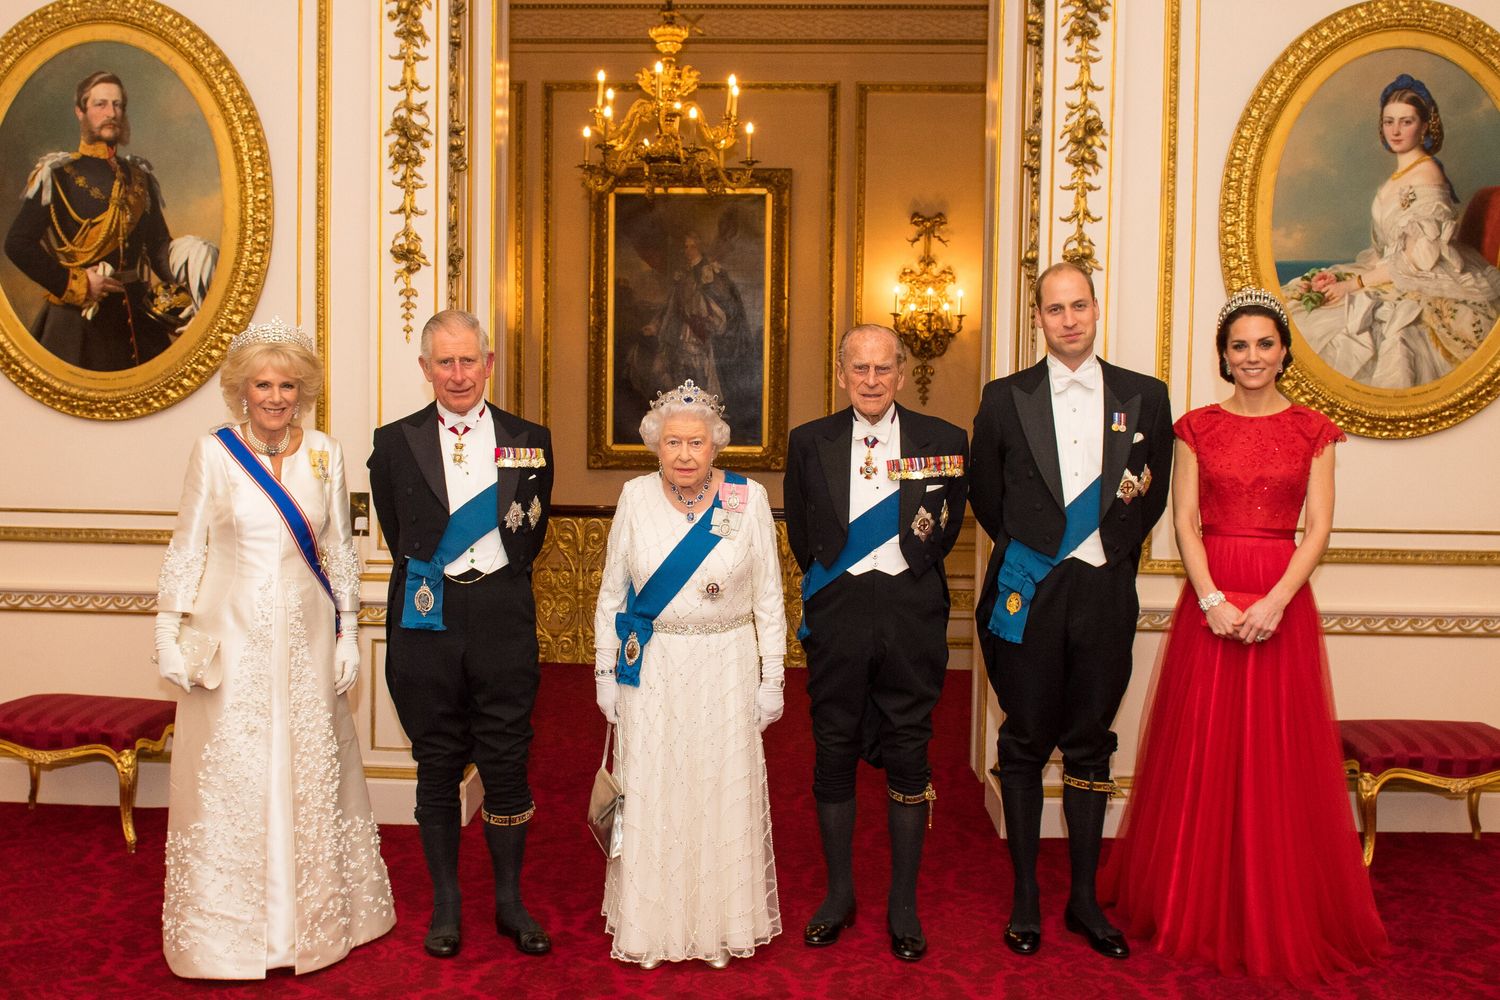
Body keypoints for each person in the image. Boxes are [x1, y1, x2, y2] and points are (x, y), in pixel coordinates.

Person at [1098, 288, 1388, 982]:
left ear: (1284, 350)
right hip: (1215, 599)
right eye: (1239, 346)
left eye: (1264, 344)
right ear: (1223, 356)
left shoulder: (1315, 430)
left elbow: (1317, 528)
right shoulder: (1196, 427)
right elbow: (1185, 522)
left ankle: (1274, 903)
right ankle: (1195, 900)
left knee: (1276, 755)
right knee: (1205, 748)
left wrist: (1277, 601)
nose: (1252, 356)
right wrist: (1212, 599)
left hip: (1280, 598)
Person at [154, 318, 394, 978]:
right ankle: (230, 936)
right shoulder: (214, 453)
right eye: (263, 384)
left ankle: (314, 925)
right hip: (232, 635)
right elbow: (187, 547)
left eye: (288, 384)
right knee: (235, 774)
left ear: (303, 391)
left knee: (312, 770)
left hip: (310, 633)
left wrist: (348, 632)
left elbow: (341, 551)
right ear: (241, 390)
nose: (276, 396)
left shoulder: (324, 452)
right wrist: (166, 633)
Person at [970, 261, 1173, 960]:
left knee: (1090, 741)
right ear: (1038, 318)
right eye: (1054, 309)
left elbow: (1152, 495)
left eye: (1078, 305)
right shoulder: (1004, 397)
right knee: (1024, 739)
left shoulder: (1145, 396)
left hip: (1103, 590)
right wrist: (1041, 550)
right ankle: (1026, 894)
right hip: (1028, 586)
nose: (1069, 319)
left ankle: (1083, 898)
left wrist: (1102, 552)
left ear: (1095, 308)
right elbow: (986, 496)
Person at [368, 309, 554, 959]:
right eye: (443, 362)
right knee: (437, 763)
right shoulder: (393, 442)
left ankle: (509, 902)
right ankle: (447, 906)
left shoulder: (531, 439)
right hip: (427, 620)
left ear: (488, 363)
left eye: (468, 360)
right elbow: (398, 531)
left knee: (506, 763)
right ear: (425, 370)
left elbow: (530, 531)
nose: (457, 373)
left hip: (502, 617)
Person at [783, 324, 968, 962]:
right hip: (839, 614)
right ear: (840, 373)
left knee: (911, 753)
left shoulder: (944, 441)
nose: (870, 380)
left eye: (882, 369)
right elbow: (803, 533)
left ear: (900, 372)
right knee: (832, 748)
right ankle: (839, 895)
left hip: (912, 613)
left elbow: (942, 532)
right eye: (858, 368)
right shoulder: (810, 442)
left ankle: (903, 904)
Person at [592, 378, 786, 969]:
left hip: (725, 665)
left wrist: (771, 676)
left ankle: (719, 926)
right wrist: (605, 671)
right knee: (655, 790)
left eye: (695, 443)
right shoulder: (634, 497)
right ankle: (654, 928)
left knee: (718, 788)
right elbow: (611, 593)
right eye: (672, 442)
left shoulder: (745, 499)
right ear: (654, 444)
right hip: (653, 668)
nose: (683, 454)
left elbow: (769, 599)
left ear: (715, 447)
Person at [1282, 73, 1500, 388]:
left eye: (1406, 122)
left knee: (1359, 333)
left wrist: (1354, 285)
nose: (1395, 131)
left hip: (1422, 283)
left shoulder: (1427, 176)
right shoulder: (1397, 177)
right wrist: (1344, 279)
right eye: (1389, 122)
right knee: (1301, 305)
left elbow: (1415, 260)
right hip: (1390, 273)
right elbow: (1387, 253)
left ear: (1425, 126)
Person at [5, 71, 216, 371]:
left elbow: (157, 250)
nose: (111, 113)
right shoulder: (57, 175)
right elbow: (17, 244)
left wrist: (191, 255)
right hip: (78, 323)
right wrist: (77, 284)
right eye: (100, 104)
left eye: (117, 105)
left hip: (141, 323)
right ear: (80, 111)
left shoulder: (141, 178)